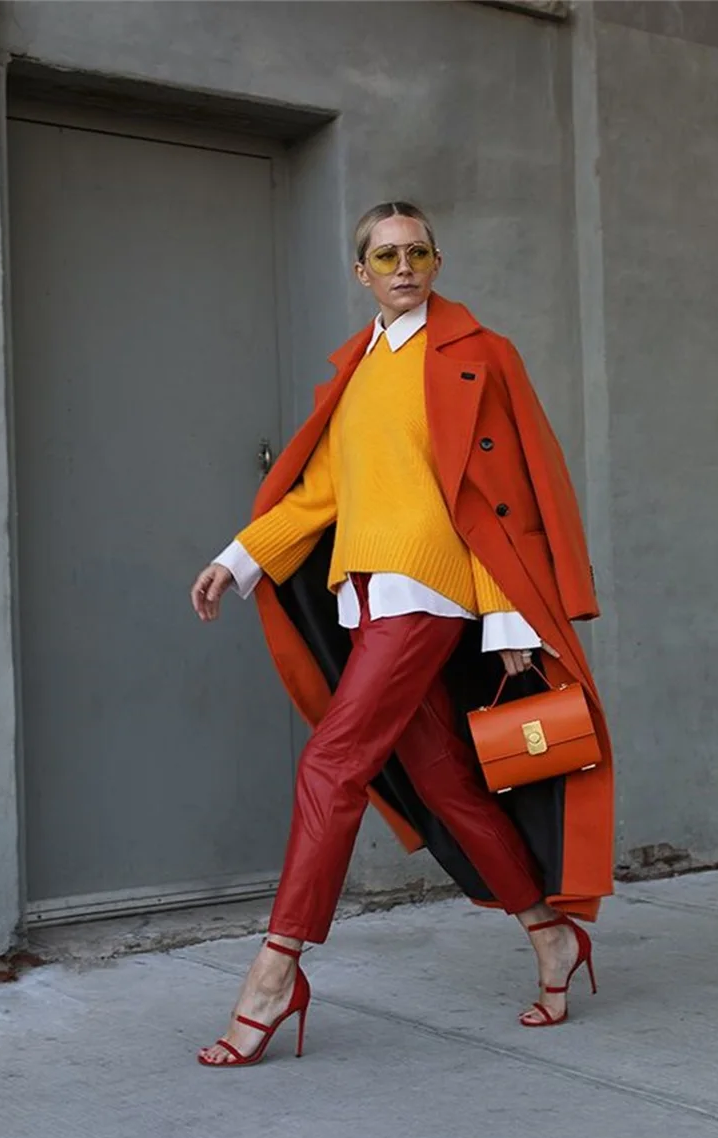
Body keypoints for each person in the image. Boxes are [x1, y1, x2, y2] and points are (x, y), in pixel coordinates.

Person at [190, 201, 613, 1067]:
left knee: (331, 762)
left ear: (437, 260)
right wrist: (236, 561)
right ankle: (549, 934)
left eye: (417, 251)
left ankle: (278, 969)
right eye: (385, 256)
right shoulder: (354, 375)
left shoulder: (478, 357)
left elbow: (504, 496)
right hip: (367, 596)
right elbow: (320, 496)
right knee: (448, 784)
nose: (404, 266)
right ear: (363, 273)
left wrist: (505, 615)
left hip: (430, 590)